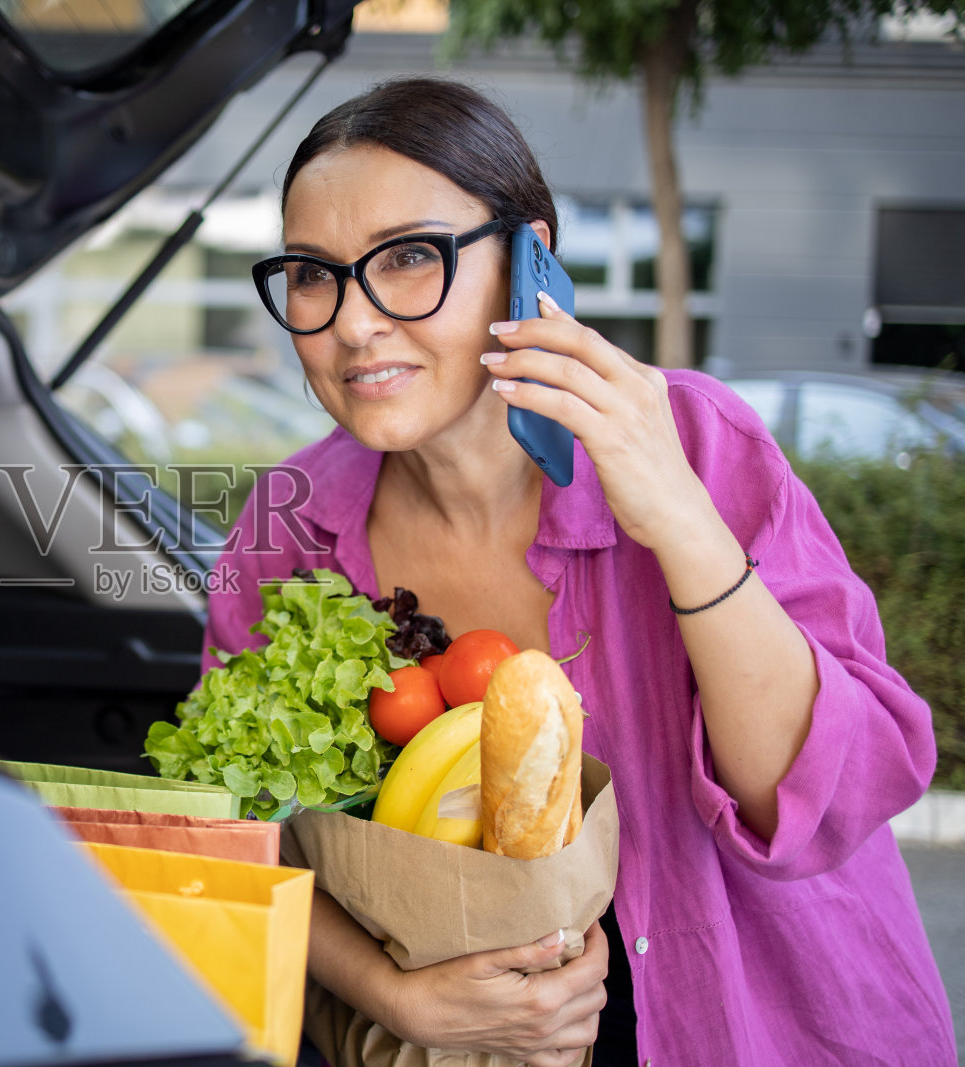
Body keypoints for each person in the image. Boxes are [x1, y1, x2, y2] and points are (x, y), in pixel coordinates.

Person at [202, 77, 954, 1066]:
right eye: (313, 273)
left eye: (411, 257)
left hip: (759, 1022)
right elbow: (239, 836)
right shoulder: (285, 528)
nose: (352, 322)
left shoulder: (691, 437)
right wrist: (397, 995)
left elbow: (816, 805)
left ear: (530, 259)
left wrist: (677, 517)